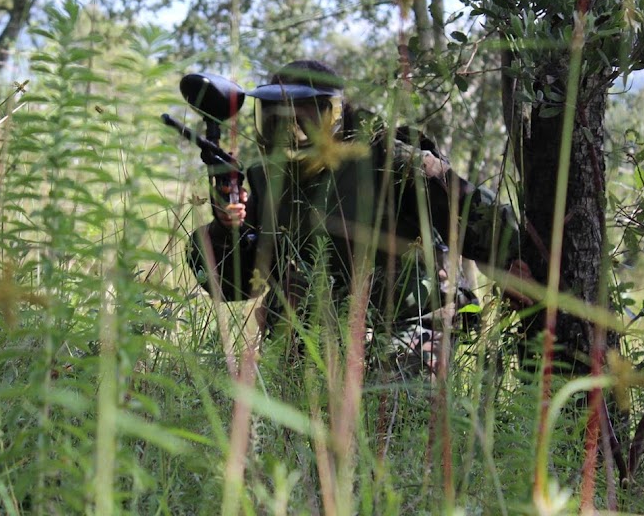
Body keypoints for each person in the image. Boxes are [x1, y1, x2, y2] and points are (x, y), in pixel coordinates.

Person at [188, 60, 530, 374]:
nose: (290, 131)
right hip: (313, 333)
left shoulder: (389, 158)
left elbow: (472, 212)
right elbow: (232, 284)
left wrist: (516, 262)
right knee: (290, 417)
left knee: (396, 417)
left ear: (333, 114)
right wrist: (224, 229)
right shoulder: (270, 180)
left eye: (302, 119)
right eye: (278, 120)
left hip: (406, 322)